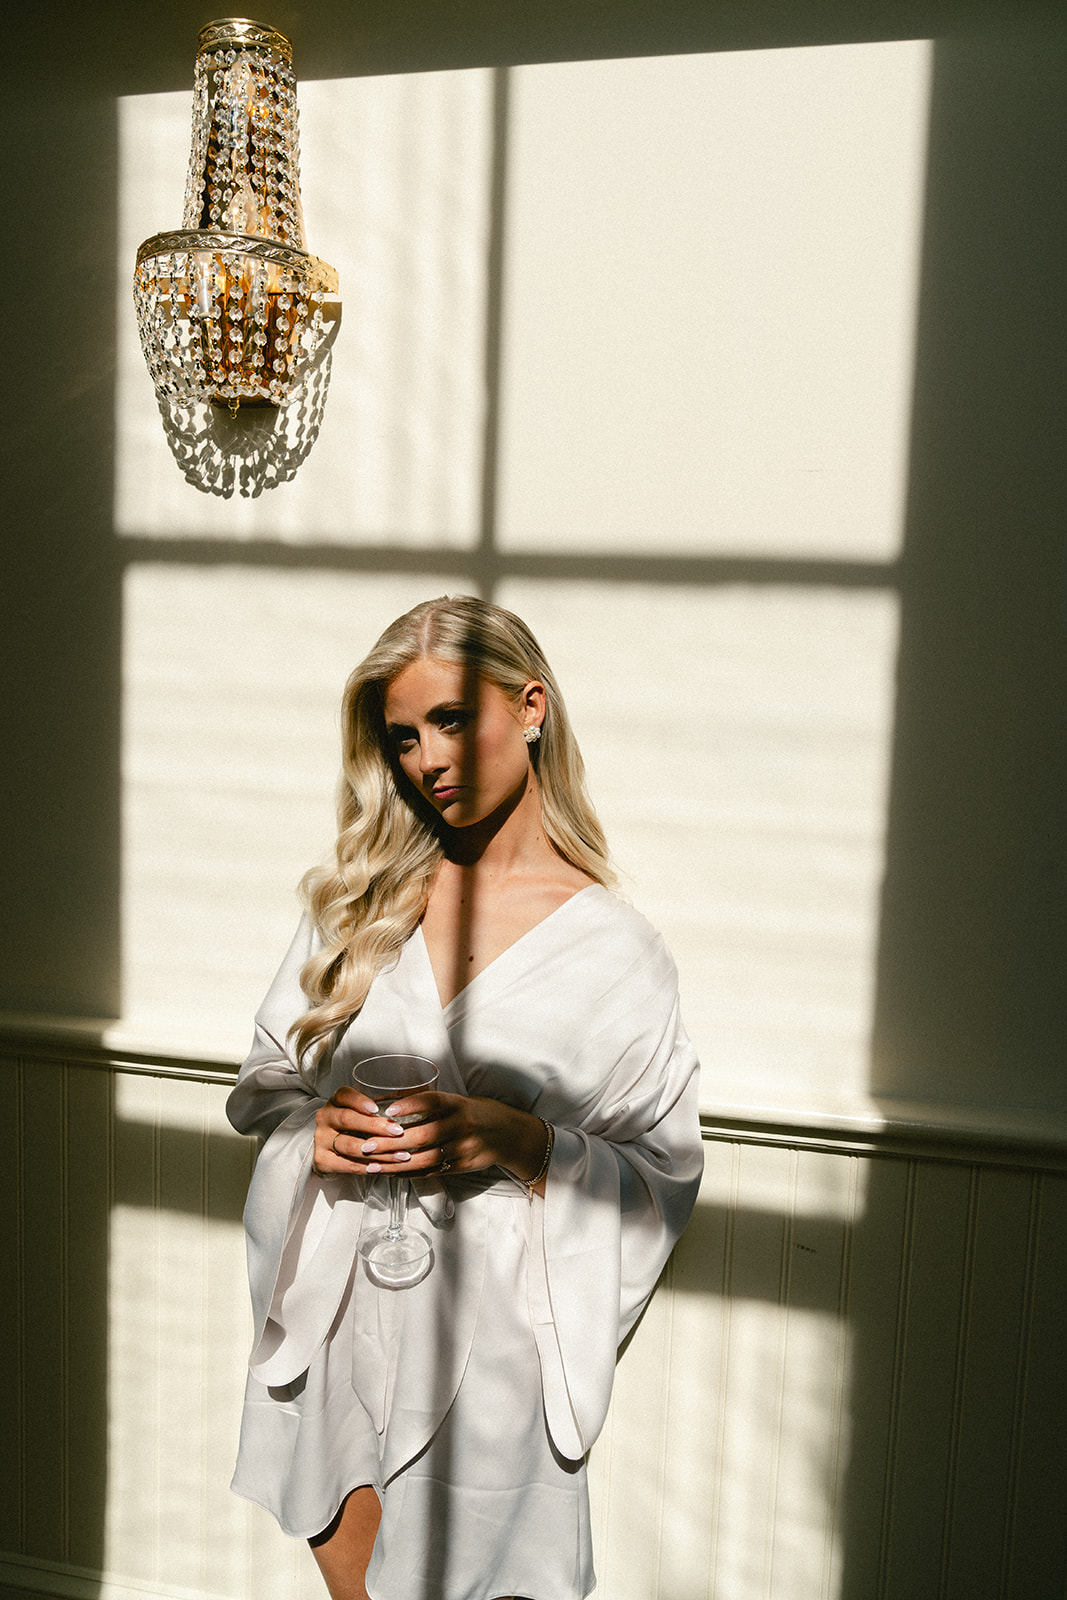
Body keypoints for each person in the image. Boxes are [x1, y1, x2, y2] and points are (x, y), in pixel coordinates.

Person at [226, 595, 704, 1600]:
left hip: (495, 1348)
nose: (424, 758)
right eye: (402, 736)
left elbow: (661, 1169)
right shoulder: (360, 904)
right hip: (347, 1311)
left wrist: (524, 1141)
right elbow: (266, 1089)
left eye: (448, 720)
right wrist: (310, 1134)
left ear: (530, 706)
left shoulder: (616, 954)